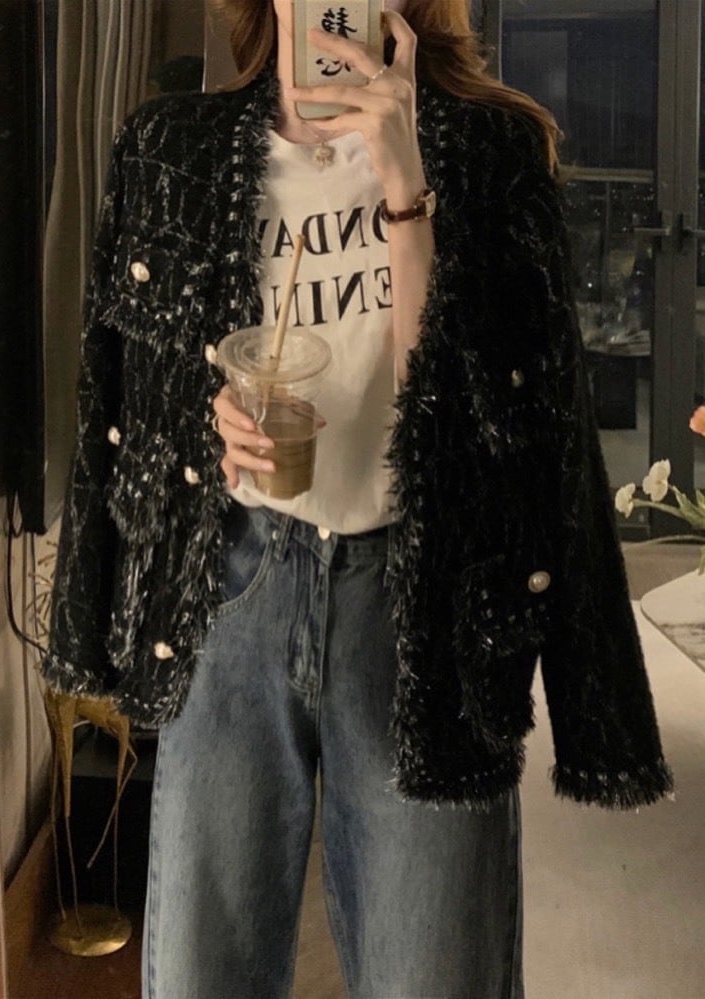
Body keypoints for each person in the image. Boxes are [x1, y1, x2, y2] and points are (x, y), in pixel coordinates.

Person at [42, 0, 674, 996]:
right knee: (204, 970)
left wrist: (406, 185)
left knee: (436, 971)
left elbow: (500, 429)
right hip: (232, 586)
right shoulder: (170, 148)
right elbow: (115, 400)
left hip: (418, 597)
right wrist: (208, 425)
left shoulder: (493, 150)